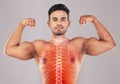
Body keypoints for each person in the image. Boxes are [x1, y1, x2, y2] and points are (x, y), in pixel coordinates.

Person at [4, 3, 116, 84]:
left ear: (68, 23)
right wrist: (21, 25)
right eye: (55, 19)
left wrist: (94, 20)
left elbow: (109, 44)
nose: (59, 23)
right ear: (49, 23)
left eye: (63, 19)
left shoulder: (78, 44)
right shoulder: (38, 46)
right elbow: (9, 50)